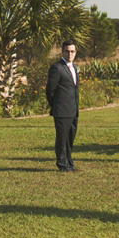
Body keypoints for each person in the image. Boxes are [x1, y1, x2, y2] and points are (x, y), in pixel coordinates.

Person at [46, 39, 80, 173]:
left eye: (72, 51)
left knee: (70, 139)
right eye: (67, 51)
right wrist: (55, 105)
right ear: (62, 51)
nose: (70, 54)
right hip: (61, 110)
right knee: (62, 139)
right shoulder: (57, 68)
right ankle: (62, 165)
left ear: (75, 52)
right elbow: (50, 90)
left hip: (73, 109)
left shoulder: (74, 67)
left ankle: (69, 163)